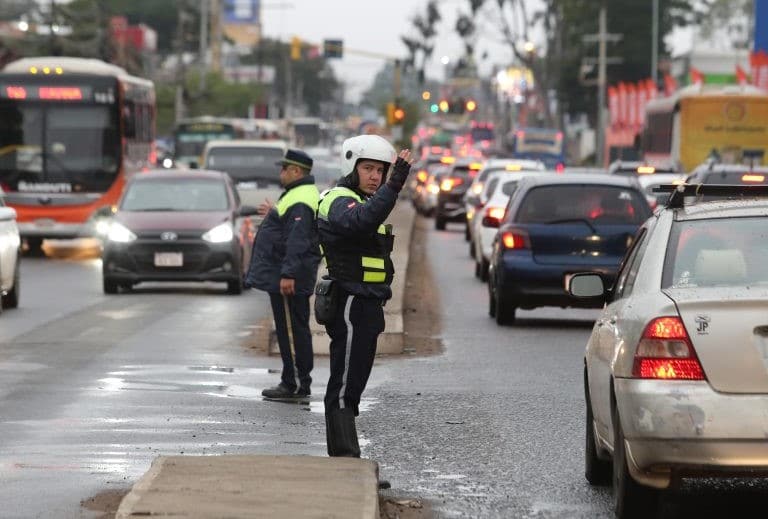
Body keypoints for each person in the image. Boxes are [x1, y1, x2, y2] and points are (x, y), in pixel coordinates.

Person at [316, 134, 412, 466]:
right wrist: (395, 184)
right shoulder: (337, 199)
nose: (375, 176)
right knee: (344, 384)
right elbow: (362, 220)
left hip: (367, 306)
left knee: (353, 383)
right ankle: (346, 460)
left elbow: (369, 214)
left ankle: (345, 459)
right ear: (351, 166)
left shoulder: (360, 200)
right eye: (368, 168)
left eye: (381, 171)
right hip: (349, 304)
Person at [244, 149, 321, 400]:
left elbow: (298, 240)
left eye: (284, 169)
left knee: (291, 329)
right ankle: (293, 380)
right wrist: (274, 214)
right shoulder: (298, 195)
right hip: (286, 274)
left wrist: (288, 274)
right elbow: (290, 228)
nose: (281, 173)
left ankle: (295, 383)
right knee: (291, 327)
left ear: (296, 171)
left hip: (289, 277)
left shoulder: (300, 198)